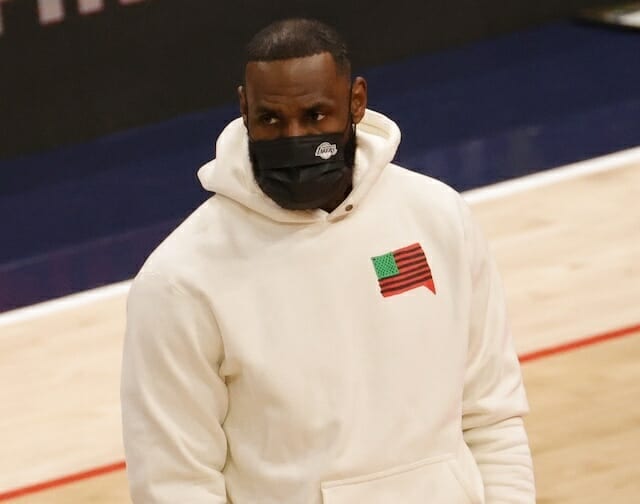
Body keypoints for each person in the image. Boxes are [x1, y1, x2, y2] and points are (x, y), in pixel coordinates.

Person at [121, 18, 535, 504]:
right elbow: (174, 484)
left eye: (315, 115)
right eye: (271, 120)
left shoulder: (438, 219)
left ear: (356, 101)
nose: (295, 138)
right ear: (244, 110)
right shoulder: (180, 281)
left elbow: (492, 415)